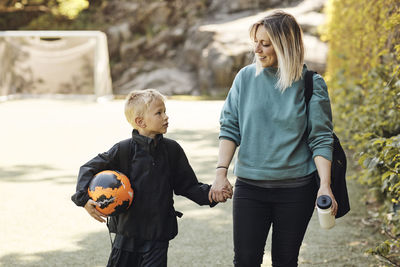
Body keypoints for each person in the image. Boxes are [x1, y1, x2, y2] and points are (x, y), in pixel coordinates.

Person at [209, 10, 338, 267]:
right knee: (245, 260)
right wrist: (221, 172)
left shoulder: (311, 84)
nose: (257, 49)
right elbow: (230, 126)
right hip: (250, 188)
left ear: (284, 45)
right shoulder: (245, 78)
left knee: (285, 260)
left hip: (296, 191)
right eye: (255, 42)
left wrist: (325, 185)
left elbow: (321, 138)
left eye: (265, 43)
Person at [71, 89, 225, 267]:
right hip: (126, 236)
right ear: (140, 121)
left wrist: (212, 194)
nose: (166, 117)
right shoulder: (123, 150)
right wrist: (84, 199)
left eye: (165, 111)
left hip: (158, 236)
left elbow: (187, 186)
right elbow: (88, 168)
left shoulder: (172, 150)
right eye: (159, 113)